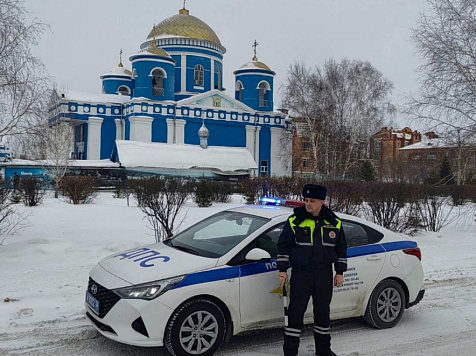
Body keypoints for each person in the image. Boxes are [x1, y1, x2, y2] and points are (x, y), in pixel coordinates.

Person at [277, 184, 347, 356]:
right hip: (302, 273)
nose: (308, 204)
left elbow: (341, 249)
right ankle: (290, 351)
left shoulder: (334, 222)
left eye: (312, 201)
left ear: (322, 202)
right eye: (306, 200)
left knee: (323, 312)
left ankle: (323, 349)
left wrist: (339, 272)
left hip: (324, 273)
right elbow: (283, 246)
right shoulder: (295, 221)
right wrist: (283, 270)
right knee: (295, 312)